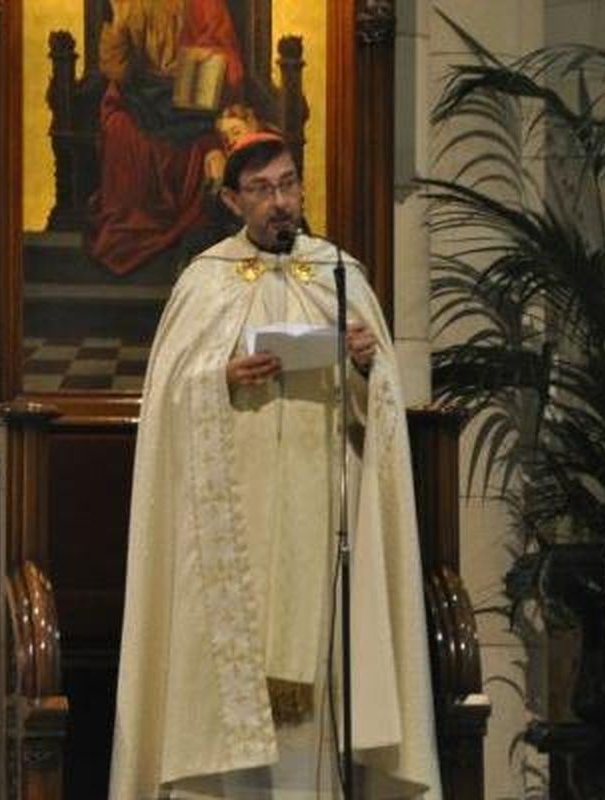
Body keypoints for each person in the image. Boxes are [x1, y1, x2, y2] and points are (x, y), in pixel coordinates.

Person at [109, 132, 441, 798]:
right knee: (232, 688)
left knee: (319, 701)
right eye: (262, 190)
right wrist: (219, 377)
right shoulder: (205, 281)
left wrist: (366, 365)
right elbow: (171, 401)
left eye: (288, 184)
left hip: (321, 526)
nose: (280, 202)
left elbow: (377, 411)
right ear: (232, 199)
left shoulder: (338, 275)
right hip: (234, 531)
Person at [89, 0, 245, 275]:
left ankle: (194, 238)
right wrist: (122, 31)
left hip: (192, 98)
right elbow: (117, 66)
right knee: (120, 130)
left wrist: (194, 69)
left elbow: (227, 61)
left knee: (205, 145)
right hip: (138, 95)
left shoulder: (205, 4)